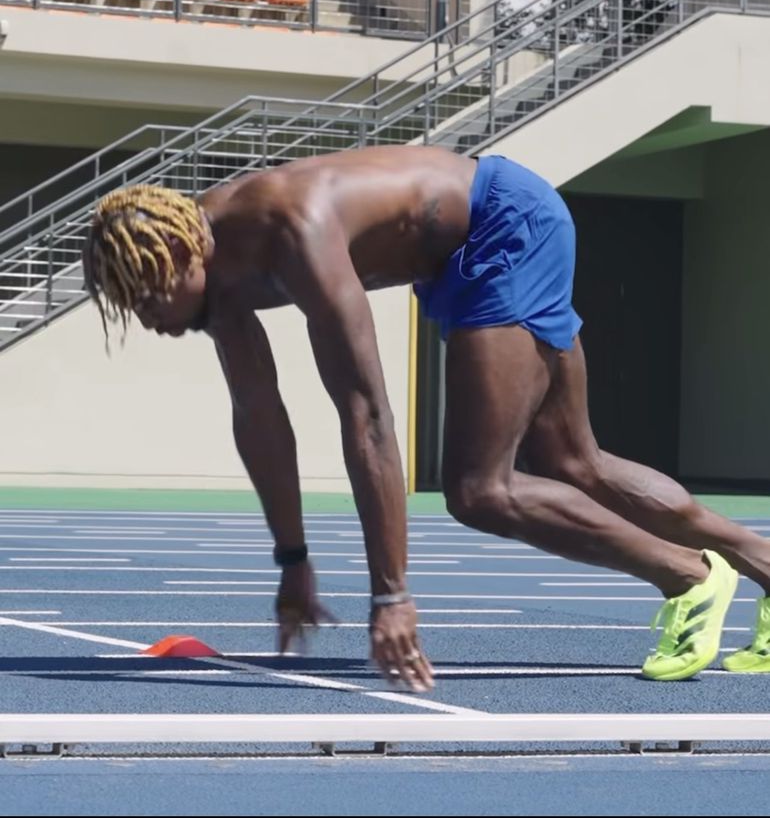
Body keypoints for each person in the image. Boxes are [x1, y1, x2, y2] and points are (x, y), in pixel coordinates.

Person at [83, 146, 770, 692]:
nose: (148, 319)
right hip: (466, 254)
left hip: (504, 227)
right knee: (571, 461)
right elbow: (260, 418)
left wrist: (392, 598)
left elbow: (367, 416)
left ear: (183, 257)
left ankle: (690, 578)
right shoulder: (214, 280)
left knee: (480, 490)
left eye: (147, 299)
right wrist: (293, 561)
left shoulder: (293, 229)